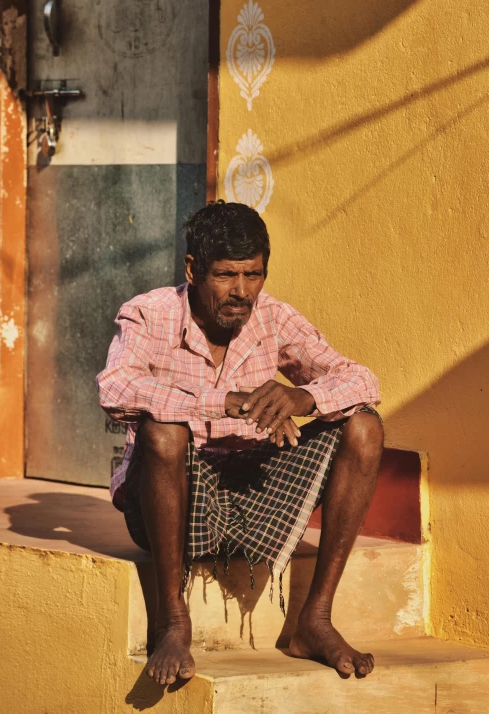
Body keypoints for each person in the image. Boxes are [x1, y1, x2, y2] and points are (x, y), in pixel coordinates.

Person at [96, 201, 383, 687]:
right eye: (226, 275)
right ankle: (172, 620)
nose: (241, 292)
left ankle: (314, 620)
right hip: (171, 501)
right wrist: (215, 402)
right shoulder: (148, 314)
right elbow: (114, 388)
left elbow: (362, 379)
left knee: (365, 427)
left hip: (252, 494)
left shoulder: (273, 317)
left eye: (254, 275)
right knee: (162, 431)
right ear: (192, 269)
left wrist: (302, 396)